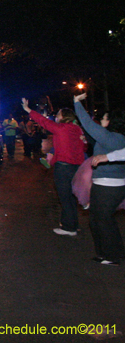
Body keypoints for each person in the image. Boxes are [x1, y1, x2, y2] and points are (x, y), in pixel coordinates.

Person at [22, 98, 86, 236]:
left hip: (64, 167)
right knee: (70, 197)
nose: (56, 116)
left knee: (65, 198)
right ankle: (73, 224)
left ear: (63, 117)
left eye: (58, 114)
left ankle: (69, 228)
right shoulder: (77, 129)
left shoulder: (61, 128)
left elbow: (43, 121)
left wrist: (28, 109)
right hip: (76, 167)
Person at [74, 93, 125, 265]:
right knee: (98, 220)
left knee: (103, 220)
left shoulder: (114, 138)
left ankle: (113, 256)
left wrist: (77, 103)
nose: (101, 120)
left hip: (109, 186)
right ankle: (107, 252)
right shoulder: (112, 138)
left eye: (104, 118)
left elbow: (88, 124)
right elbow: (93, 137)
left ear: (111, 121)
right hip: (104, 185)